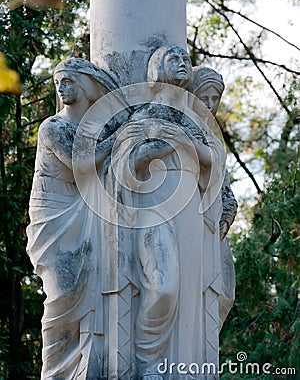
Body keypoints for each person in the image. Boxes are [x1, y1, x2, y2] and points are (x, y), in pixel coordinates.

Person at [112, 46, 226, 379]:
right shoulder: (146, 112)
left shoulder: (197, 120)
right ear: (157, 67)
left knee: (191, 292)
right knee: (163, 285)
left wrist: (185, 141)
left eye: (186, 59)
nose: (182, 64)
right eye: (174, 59)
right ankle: (146, 361)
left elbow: (213, 160)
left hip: (190, 207)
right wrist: (172, 140)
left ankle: (181, 366)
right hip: (153, 204)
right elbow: (129, 162)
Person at [26, 58, 120, 380]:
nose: (62, 89)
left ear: (86, 86)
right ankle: (55, 373)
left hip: (86, 212)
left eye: (68, 81)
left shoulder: (95, 128)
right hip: (54, 214)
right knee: (61, 293)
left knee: (91, 282)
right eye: (58, 84)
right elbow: (81, 163)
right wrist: (119, 140)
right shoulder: (53, 127)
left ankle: (86, 366)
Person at [191, 66, 238, 330]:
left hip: (216, 223)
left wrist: (227, 213)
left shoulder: (213, 140)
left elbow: (225, 187)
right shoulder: (186, 131)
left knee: (225, 293)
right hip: (192, 221)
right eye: (204, 97)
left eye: (215, 98)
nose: (210, 105)